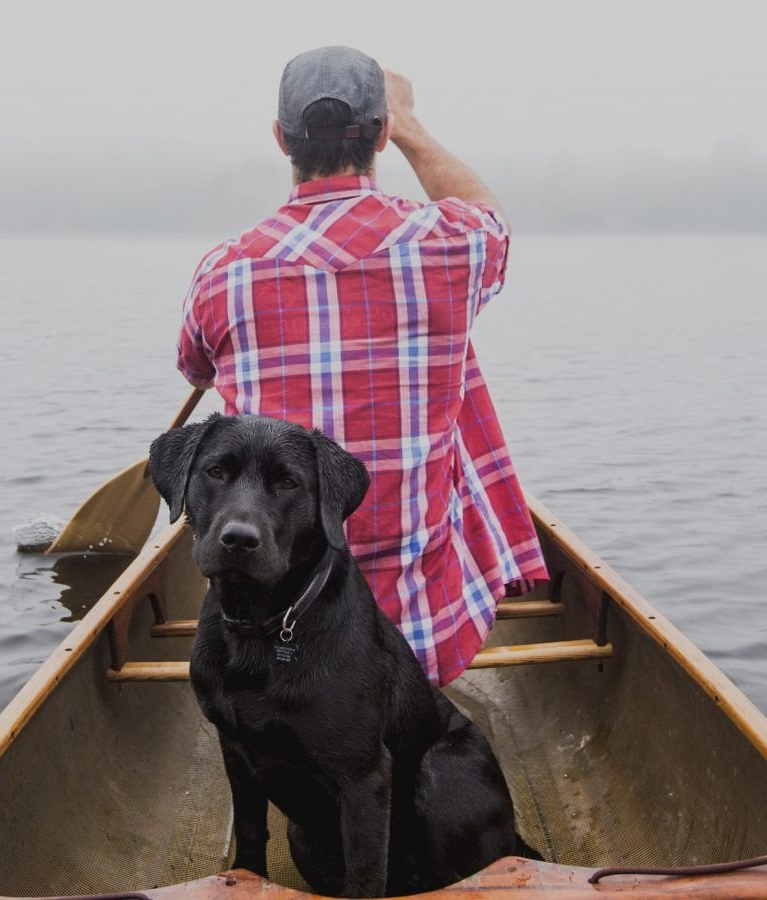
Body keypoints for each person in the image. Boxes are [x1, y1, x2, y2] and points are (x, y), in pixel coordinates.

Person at [175, 46, 547, 685]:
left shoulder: (223, 273)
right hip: (420, 637)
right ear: (380, 134)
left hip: (272, 631)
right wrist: (412, 125)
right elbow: (496, 222)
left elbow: (195, 369)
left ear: (280, 139)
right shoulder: (452, 245)